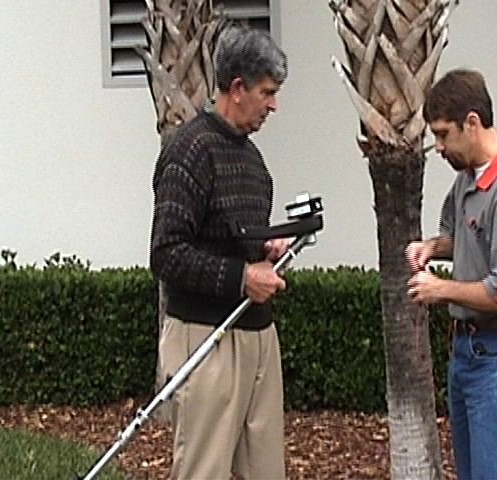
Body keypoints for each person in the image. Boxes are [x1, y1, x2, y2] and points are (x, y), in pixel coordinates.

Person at [150, 25, 290, 480]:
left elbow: (237, 242)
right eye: (267, 93)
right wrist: (241, 278)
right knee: (203, 472)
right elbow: (167, 253)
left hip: (257, 337)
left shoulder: (254, 162)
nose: (273, 105)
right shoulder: (189, 150)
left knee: (266, 472)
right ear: (236, 88)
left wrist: (266, 249)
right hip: (204, 338)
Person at [406, 68, 497, 480]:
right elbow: (460, 235)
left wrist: (439, 289)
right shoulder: (467, 177)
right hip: (464, 355)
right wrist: (432, 247)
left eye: (444, 135)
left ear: (472, 123)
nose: (439, 147)